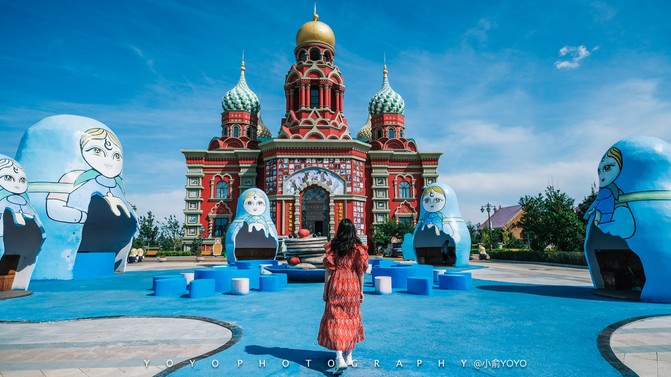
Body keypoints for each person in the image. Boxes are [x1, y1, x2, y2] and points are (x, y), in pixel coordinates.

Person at [318, 218, 368, 375]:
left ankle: (339, 356)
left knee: (336, 319)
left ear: (339, 230)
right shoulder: (358, 248)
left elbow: (328, 271)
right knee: (352, 318)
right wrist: (361, 289)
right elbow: (361, 271)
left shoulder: (333, 247)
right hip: (352, 285)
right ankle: (349, 356)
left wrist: (325, 290)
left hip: (337, 284)